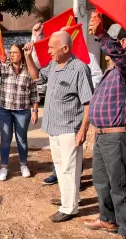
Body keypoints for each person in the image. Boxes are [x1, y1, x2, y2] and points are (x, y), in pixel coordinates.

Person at [82, 12, 126, 239]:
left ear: (122, 43)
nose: (106, 50)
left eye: (112, 44)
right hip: (104, 135)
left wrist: (103, 35)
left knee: (120, 186)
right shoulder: (112, 71)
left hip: (117, 137)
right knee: (101, 182)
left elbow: (121, 58)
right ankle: (108, 219)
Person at [25, 30, 94, 223]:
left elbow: (88, 102)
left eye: (51, 48)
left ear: (65, 48)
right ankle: (68, 199)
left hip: (70, 128)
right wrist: (28, 57)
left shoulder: (80, 69)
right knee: (59, 166)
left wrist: (83, 130)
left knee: (69, 168)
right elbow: (36, 75)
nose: (48, 52)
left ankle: (69, 208)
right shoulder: (54, 65)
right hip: (53, 127)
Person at [42, 52, 103, 186]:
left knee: (72, 164)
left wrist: (81, 83)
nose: (51, 50)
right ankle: (58, 178)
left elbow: (97, 77)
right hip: (55, 121)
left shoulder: (86, 58)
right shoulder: (55, 61)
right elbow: (39, 76)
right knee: (60, 161)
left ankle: (75, 186)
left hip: (71, 120)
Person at [0, 43, 39, 181]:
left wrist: (34, 110)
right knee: (5, 139)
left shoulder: (28, 70)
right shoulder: (4, 67)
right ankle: (3, 167)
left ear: (21, 54)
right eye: (10, 52)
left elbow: (34, 92)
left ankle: (23, 165)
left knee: (22, 139)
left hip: (22, 111)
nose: (11, 54)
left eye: (15, 52)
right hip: (5, 110)